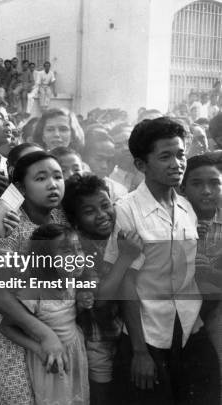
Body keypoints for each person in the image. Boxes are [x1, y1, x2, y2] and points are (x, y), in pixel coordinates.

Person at [106, 117, 219, 404]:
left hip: (190, 327)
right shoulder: (126, 211)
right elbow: (127, 285)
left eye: (180, 154)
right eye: (165, 156)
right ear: (141, 165)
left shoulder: (185, 208)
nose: (176, 163)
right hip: (148, 335)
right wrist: (140, 351)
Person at [0, 151, 68, 405]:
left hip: (57, 331)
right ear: (21, 187)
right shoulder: (9, 224)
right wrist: (43, 334)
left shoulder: (61, 217)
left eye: (57, 176)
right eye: (41, 178)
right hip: (18, 336)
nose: (53, 184)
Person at [63, 174, 142, 405]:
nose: (101, 215)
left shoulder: (119, 234)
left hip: (123, 328)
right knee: (101, 392)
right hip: (96, 336)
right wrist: (125, 257)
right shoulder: (78, 248)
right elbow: (100, 299)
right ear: (75, 220)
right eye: (89, 211)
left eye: (105, 205)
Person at [0, 224, 90, 405]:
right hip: (49, 361)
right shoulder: (34, 291)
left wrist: (81, 304)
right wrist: (38, 349)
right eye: (66, 252)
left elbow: (65, 316)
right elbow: (6, 328)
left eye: (79, 249)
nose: (78, 257)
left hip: (73, 352)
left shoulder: (70, 280)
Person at [181, 154, 222, 401]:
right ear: (183, 188)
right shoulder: (174, 221)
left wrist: (209, 272)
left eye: (215, 183)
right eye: (197, 184)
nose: (207, 191)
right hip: (182, 313)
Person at [82, 132, 128, 202]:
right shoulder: (69, 184)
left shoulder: (119, 191)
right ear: (84, 157)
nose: (104, 166)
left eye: (110, 161)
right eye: (99, 159)